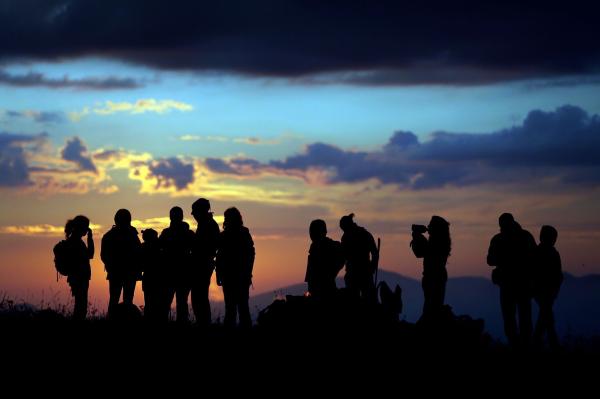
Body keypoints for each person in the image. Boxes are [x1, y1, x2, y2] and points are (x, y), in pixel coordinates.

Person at [487, 213, 537, 349]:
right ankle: (523, 344)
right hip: (521, 284)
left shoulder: (498, 239)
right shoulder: (525, 236)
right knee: (522, 316)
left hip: (511, 284)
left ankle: (516, 344)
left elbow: (490, 260)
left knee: (511, 317)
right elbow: (535, 259)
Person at [215, 207, 255, 328]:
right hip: (235, 276)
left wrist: (248, 272)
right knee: (239, 307)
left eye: (227, 217)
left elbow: (250, 254)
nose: (226, 219)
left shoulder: (229, 235)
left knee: (235, 308)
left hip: (235, 276)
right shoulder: (243, 233)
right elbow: (251, 254)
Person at [101, 209, 142, 316]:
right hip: (126, 273)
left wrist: (111, 267)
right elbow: (139, 253)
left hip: (118, 274)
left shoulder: (109, 236)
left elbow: (104, 256)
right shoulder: (133, 235)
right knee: (125, 301)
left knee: (115, 301)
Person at [410, 216, 451, 323]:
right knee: (432, 307)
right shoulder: (440, 241)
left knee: (431, 309)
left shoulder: (438, 242)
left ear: (436, 228)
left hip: (434, 277)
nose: (428, 228)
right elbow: (421, 252)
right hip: (434, 277)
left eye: (430, 226)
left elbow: (420, 252)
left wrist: (416, 236)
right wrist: (417, 236)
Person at [159, 206, 195, 323]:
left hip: (172, 272)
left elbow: (159, 249)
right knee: (179, 302)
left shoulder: (166, 233)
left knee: (168, 302)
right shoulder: (188, 233)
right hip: (181, 272)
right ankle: (182, 324)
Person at [532, 225, 563, 350]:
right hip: (545, 291)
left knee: (545, 317)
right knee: (547, 317)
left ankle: (538, 342)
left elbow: (557, 274)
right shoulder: (549, 253)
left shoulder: (537, 252)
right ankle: (550, 344)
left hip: (544, 291)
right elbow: (557, 274)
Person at [190, 198, 220, 325]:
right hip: (203, 264)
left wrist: (194, 241)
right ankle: (202, 323)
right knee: (199, 297)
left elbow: (207, 247)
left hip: (202, 265)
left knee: (199, 297)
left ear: (200, 211)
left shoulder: (208, 225)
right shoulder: (206, 224)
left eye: (195, 212)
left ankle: (203, 324)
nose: (194, 215)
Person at [339, 213, 378, 303]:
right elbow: (375, 253)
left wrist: (372, 267)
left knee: (356, 301)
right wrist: (372, 267)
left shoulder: (347, 237)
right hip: (361, 272)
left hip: (358, 273)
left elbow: (375, 253)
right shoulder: (365, 234)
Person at [63, 215, 94, 320]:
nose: (87, 229)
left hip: (77, 277)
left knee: (80, 304)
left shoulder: (75, 240)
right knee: (81, 306)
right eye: (86, 227)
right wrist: (90, 238)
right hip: (79, 277)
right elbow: (90, 254)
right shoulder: (76, 242)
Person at [304, 219, 344, 300]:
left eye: (314, 231)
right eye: (311, 231)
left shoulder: (330, 246)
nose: (311, 234)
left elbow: (342, 257)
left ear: (323, 232)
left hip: (326, 289)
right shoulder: (314, 247)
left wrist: (332, 272)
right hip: (316, 290)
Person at [140, 228, 165, 322]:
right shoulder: (160, 248)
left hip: (148, 278)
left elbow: (140, 263)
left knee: (149, 302)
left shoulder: (142, 247)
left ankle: (149, 320)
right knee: (158, 303)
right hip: (159, 278)